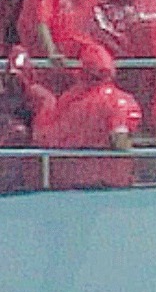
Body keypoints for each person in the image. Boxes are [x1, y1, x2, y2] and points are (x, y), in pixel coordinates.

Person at [21, 44, 139, 188]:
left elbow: (46, 136)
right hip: (111, 182)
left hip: (69, 181)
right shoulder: (120, 100)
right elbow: (120, 142)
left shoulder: (69, 99)